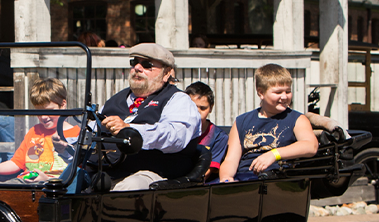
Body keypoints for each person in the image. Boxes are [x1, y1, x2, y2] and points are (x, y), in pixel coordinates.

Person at [98, 43, 201, 190]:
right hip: (107, 170)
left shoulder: (178, 99)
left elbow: (175, 137)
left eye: (147, 65)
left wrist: (130, 130)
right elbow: (90, 128)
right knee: (67, 179)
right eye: (134, 63)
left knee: (130, 186)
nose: (137, 68)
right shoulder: (116, 99)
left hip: (153, 173)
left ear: (166, 74)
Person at [219, 63, 318, 183]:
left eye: (287, 91)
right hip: (246, 178)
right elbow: (230, 160)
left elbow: (311, 146)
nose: (284, 96)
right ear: (261, 93)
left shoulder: (297, 119)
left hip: (279, 179)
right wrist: (226, 178)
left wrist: (274, 154)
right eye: (278, 92)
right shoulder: (242, 121)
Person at [0, 78, 78, 182]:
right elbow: (16, 163)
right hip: (25, 183)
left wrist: (49, 180)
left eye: (49, 110)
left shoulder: (77, 134)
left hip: (54, 188)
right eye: (39, 112)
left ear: (63, 105)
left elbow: (77, 173)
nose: (44, 117)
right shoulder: (34, 131)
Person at [185, 81, 229, 181]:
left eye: (203, 108)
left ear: (211, 108)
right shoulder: (175, 130)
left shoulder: (219, 137)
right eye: (193, 106)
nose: (197, 112)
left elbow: (206, 172)